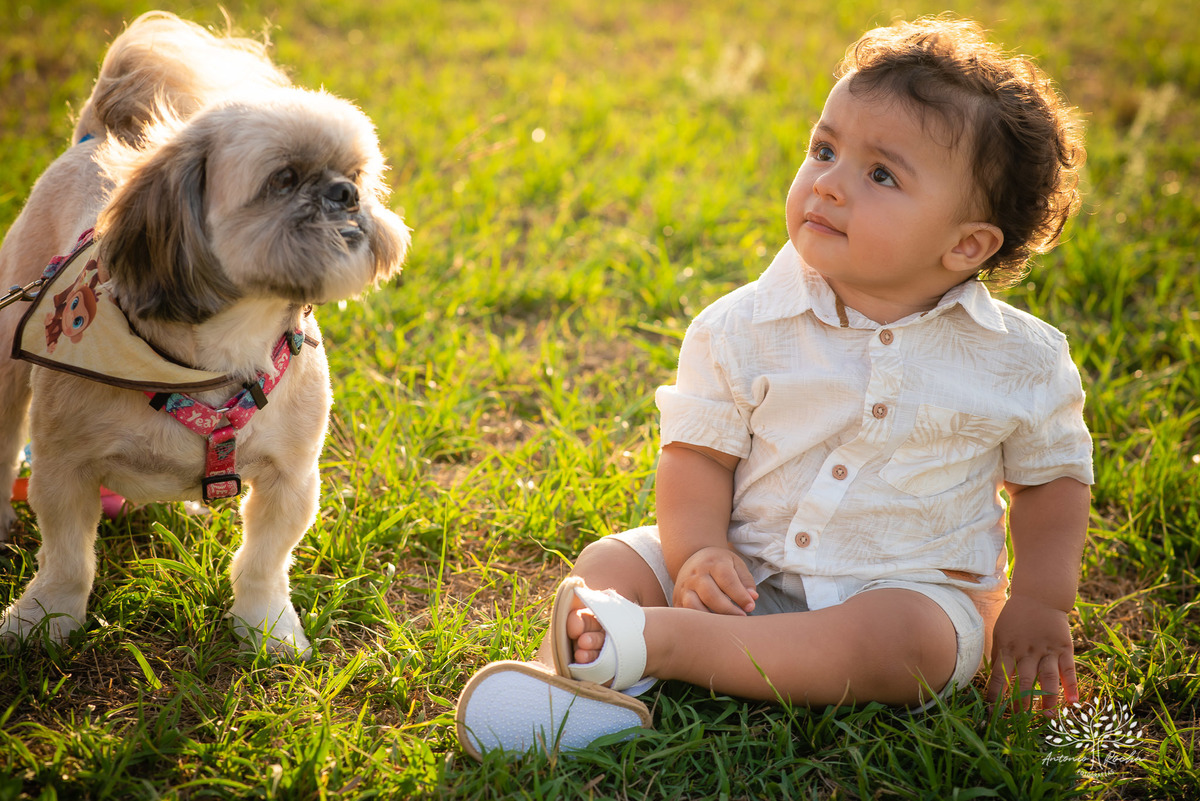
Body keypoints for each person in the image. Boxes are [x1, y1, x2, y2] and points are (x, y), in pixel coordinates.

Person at [455, 15, 1092, 760]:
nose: (828, 182)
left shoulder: (1021, 361)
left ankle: (660, 648)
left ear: (965, 244)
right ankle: (579, 681)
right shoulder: (744, 326)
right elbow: (697, 454)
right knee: (614, 562)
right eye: (824, 149)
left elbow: (1052, 484)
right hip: (744, 564)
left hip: (902, 589)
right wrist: (696, 552)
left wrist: (1041, 601)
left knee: (906, 646)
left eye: (880, 174)